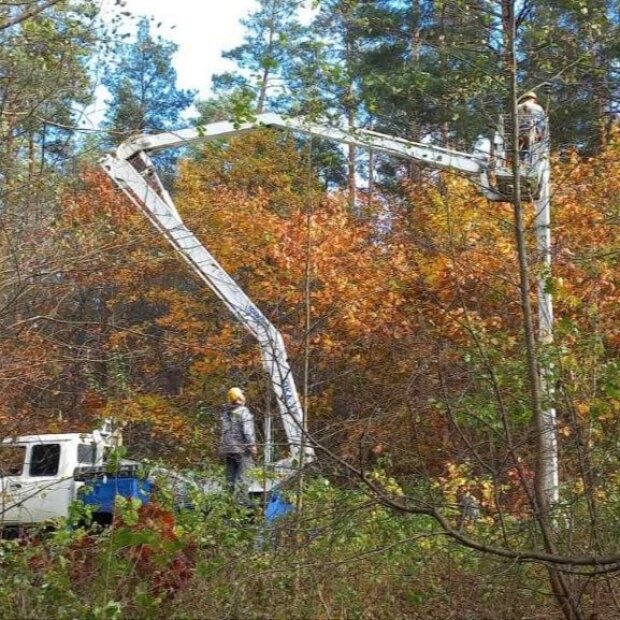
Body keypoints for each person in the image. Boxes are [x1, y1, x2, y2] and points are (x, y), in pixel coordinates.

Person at [219, 387, 258, 504]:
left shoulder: (226, 412)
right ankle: (241, 504)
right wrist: (252, 446)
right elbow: (247, 431)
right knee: (244, 477)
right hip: (241, 449)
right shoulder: (243, 411)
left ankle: (227, 504)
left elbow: (223, 432)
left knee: (230, 479)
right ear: (240, 397)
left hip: (228, 449)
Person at [517, 91, 546, 163]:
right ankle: (530, 163)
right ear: (533, 99)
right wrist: (540, 132)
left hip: (519, 130)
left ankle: (520, 162)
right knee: (531, 148)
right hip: (532, 129)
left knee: (520, 149)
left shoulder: (518, 107)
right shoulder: (537, 107)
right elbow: (541, 121)